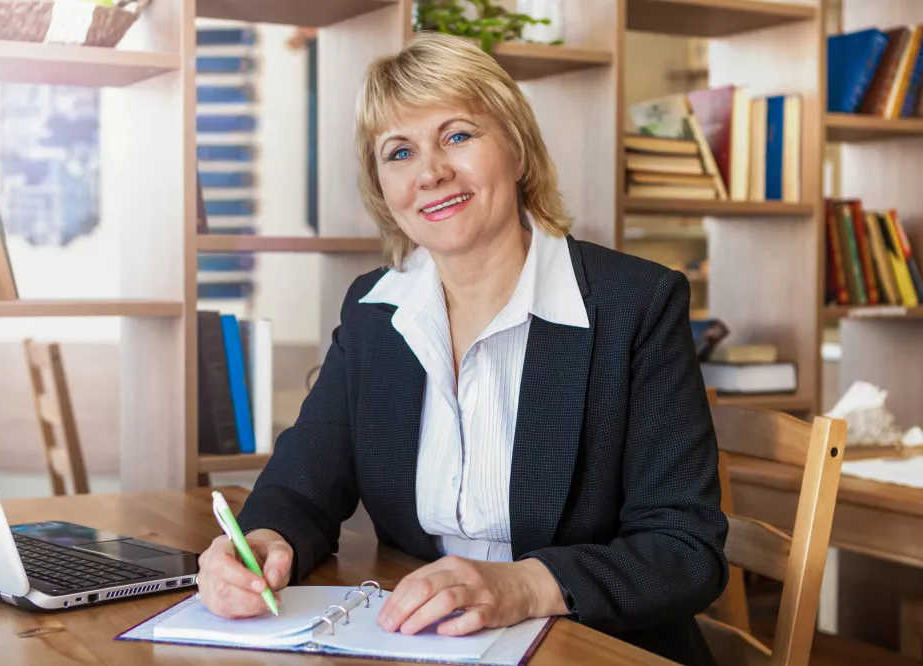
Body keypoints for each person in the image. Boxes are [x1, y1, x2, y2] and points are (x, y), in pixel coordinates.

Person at [195, 32, 728, 665]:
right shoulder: (375, 310)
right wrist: (261, 543)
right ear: (383, 189)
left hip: (597, 648)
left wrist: (524, 585)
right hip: (429, 644)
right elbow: (303, 483)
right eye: (400, 152)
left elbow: (684, 549)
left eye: (457, 136)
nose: (430, 173)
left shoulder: (634, 304)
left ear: (518, 150)